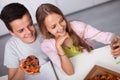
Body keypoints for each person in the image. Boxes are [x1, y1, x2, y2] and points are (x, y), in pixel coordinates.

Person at [36, 3, 120, 75]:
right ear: (46, 29)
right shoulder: (46, 46)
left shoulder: (76, 26)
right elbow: (70, 72)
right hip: (76, 73)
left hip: (94, 64)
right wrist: (58, 47)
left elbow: (102, 35)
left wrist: (116, 41)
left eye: (61, 20)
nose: (61, 27)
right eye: (53, 26)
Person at [0, 3, 55, 80]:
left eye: (30, 24)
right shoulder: (11, 46)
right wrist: (21, 70)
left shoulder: (44, 32)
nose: (29, 32)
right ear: (12, 32)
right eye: (21, 30)